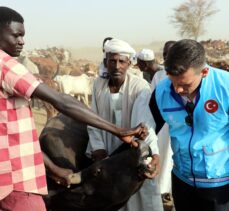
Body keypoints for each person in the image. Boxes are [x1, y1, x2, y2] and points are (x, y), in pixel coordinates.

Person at [0, 7, 148, 211]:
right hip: (16, 181)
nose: (22, 41)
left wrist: (52, 169)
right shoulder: (5, 64)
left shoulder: (138, 86)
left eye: (23, 36)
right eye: (16, 35)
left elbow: (11, 137)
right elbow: (62, 101)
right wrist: (117, 130)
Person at [149, 39, 229, 211]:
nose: (177, 90)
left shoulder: (225, 87)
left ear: (204, 72)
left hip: (220, 186)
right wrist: (150, 153)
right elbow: (148, 130)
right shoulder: (161, 92)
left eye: (185, 85)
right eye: (173, 82)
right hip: (182, 182)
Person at [86, 38, 163, 211]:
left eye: (122, 61)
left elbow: (145, 126)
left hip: (132, 150)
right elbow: (94, 119)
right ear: (106, 62)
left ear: (129, 63)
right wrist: (98, 148)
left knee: (140, 197)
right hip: (107, 149)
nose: (117, 66)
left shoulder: (140, 87)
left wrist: (153, 153)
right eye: (112, 61)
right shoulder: (98, 85)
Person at [151, 41, 176, 196]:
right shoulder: (159, 76)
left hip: (179, 124)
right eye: (166, 54)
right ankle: (162, 191)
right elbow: (152, 101)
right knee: (163, 155)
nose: (168, 57)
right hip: (162, 125)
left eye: (171, 53)